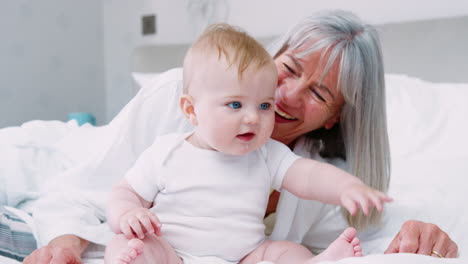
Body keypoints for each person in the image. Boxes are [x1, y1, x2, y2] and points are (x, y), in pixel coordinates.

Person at [22, 9, 457, 264]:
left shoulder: (301, 168)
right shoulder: (179, 97)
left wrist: (418, 237)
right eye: (288, 70)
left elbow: (362, 228)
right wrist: (66, 241)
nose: (285, 97)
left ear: (334, 118)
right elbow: (93, 189)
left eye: (320, 93)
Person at [104, 24, 392, 264]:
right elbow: (124, 191)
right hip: (172, 252)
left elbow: (309, 175)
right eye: (235, 104)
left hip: (243, 256)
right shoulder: (167, 151)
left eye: (264, 105)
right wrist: (128, 215)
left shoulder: (267, 155)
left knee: (287, 252)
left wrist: (347, 187)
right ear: (191, 110)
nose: (253, 118)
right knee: (127, 244)